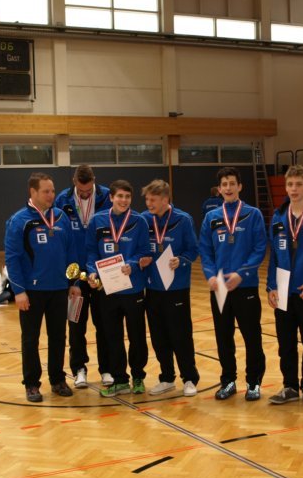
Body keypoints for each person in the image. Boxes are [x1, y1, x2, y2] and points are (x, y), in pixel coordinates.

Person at [5, 172, 80, 402]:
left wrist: (73, 282)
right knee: (30, 339)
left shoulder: (61, 217)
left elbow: (71, 252)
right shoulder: (19, 221)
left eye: (53, 191)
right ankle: (31, 384)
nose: (51, 195)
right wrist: (19, 291)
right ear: (33, 192)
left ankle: (58, 379)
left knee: (58, 337)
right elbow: (12, 258)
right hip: (32, 292)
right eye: (46, 191)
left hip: (59, 289)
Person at [199, 167, 267, 401]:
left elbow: (260, 248)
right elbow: (205, 250)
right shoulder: (211, 217)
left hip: (245, 286)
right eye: (224, 184)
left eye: (232, 183)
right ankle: (228, 381)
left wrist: (242, 274)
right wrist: (210, 275)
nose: (228, 188)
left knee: (252, 337)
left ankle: (253, 382)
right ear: (219, 189)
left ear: (240, 186)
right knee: (223, 337)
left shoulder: (253, 214)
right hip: (219, 287)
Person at [86, 180, 151, 397]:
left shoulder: (139, 221)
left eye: (127, 196)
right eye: (120, 196)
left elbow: (144, 251)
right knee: (112, 336)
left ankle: (138, 377)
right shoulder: (97, 221)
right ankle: (120, 380)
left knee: (137, 336)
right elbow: (91, 252)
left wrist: (132, 264)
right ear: (111, 197)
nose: (124, 200)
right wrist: (92, 272)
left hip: (133, 289)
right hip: (108, 290)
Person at [266, 165, 303, 406]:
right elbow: (274, 256)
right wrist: (271, 286)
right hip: (283, 291)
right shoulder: (279, 216)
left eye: (299, 184)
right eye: (290, 184)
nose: (294, 189)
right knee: (286, 343)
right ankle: (289, 385)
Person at [54, 164, 113, 387]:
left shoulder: (107, 197)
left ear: (94, 181)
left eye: (89, 190)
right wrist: (70, 277)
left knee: (104, 323)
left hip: (101, 271)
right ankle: (79, 369)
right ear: (74, 182)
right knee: (76, 324)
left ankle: (106, 369)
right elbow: (60, 238)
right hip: (76, 274)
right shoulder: (63, 200)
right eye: (81, 190)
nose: (85, 194)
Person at [141, 179, 201, 397]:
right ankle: (166, 377)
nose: (149, 203)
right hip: (152, 288)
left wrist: (181, 260)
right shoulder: (144, 219)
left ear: (165, 199)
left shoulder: (183, 219)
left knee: (181, 335)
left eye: (153, 200)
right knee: (158, 336)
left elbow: (193, 250)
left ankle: (189, 378)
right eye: (147, 199)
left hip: (177, 288)